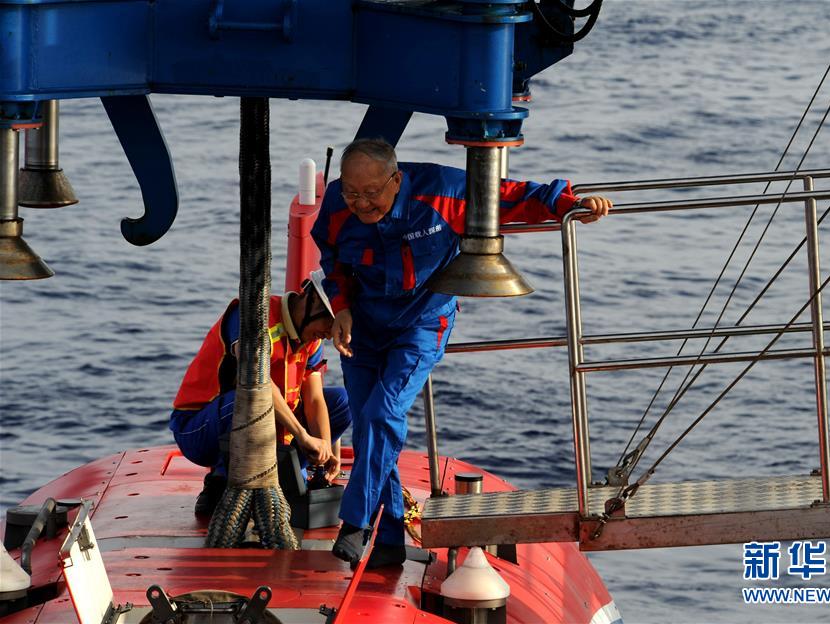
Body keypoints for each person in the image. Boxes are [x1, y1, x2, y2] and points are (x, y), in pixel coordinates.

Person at [312, 138, 612, 568]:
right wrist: (339, 308)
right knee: (368, 426)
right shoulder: (338, 206)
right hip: (363, 325)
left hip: (422, 323)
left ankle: (357, 522)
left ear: (396, 180)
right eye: (352, 193)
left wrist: (573, 204)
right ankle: (391, 540)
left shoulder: (443, 192)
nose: (361, 203)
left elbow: (512, 197)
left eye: (372, 193)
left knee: (382, 414)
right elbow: (332, 260)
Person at [169, 271, 351, 515]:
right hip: (200, 428)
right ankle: (220, 480)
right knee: (250, 398)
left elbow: (315, 399)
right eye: (331, 322)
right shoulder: (252, 317)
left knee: (341, 402)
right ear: (312, 301)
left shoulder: (312, 340)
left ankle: (288, 474)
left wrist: (324, 450)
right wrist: (303, 436)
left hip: (269, 421)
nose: (330, 333)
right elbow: (258, 382)